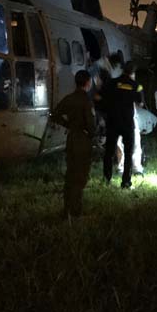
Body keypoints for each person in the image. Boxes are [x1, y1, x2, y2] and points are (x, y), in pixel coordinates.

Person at [50, 70, 95, 218]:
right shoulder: (86, 100)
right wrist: (93, 134)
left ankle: (66, 209)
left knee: (70, 174)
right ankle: (76, 211)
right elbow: (90, 124)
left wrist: (68, 125)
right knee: (80, 176)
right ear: (88, 83)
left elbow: (55, 114)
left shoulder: (69, 98)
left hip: (71, 139)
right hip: (83, 140)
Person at [101, 61, 145, 188]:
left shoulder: (111, 83)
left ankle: (106, 179)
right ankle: (126, 182)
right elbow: (141, 103)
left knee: (109, 152)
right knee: (128, 152)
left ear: (123, 70)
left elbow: (100, 97)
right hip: (127, 124)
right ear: (133, 73)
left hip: (112, 122)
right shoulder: (137, 86)